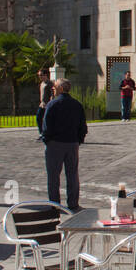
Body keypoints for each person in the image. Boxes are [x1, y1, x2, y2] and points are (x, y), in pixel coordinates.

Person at [41, 78, 87, 211]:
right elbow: (82, 126)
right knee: (72, 174)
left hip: (55, 143)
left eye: (54, 87)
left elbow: (46, 125)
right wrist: (79, 139)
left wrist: (47, 139)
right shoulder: (76, 104)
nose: (53, 90)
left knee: (53, 175)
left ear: (60, 88)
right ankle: (73, 203)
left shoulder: (53, 104)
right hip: (72, 143)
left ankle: (54, 203)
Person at [36, 69, 54, 140]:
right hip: (42, 104)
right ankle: (42, 133)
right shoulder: (42, 83)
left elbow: (52, 94)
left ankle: (47, 133)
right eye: (39, 75)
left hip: (47, 104)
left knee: (47, 120)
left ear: (45, 75)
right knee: (38, 118)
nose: (40, 77)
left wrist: (50, 103)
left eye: (41, 75)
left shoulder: (50, 83)